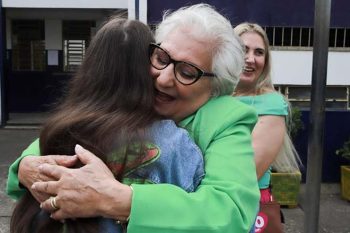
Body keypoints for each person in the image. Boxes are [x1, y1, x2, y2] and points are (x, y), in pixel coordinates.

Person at [7, 4, 260, 232]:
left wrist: (119, 199)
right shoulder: (135, 97)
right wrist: (26, 165)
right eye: (161, 58)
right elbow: (74, 131)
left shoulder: (226, 119)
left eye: (186, 71)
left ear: (216, 87)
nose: (163, 78)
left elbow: (232, 213)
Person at [233, 22, 301, 231]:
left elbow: (247, 173)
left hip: (248, 206)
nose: (250, 59)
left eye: (259, 52)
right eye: (243, 50)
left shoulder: (271, 103)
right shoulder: (212, 96)